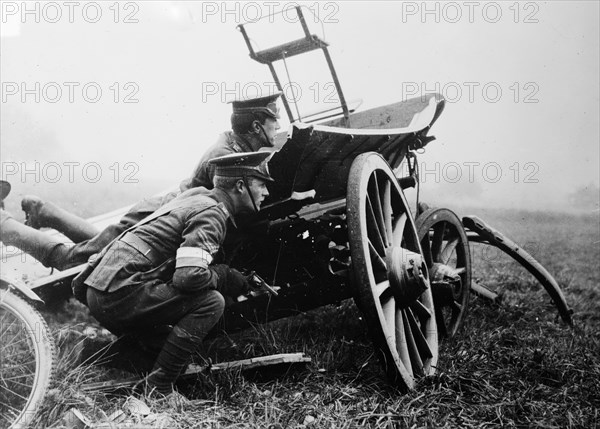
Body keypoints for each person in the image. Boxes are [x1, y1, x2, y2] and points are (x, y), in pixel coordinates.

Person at [0, 93, 282, 270]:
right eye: (274, 121)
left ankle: (45, 212)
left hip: (163, 215)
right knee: (72, 259)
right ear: (256, 126)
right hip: (155, 216)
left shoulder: (238, 148)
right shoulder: (226, 155)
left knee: (103, 247)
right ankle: (5, 225)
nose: (278, 127)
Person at [84, 152, 273, 394]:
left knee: (171, 353)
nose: (266, 192)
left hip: (101, 289)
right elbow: (188, 277)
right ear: (240, 186)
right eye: (261, 184)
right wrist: (224, 276)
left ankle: (87, 351)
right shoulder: (212, 213)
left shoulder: (196, 197)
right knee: (212, 302)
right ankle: (159, 389)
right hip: (120, 294)